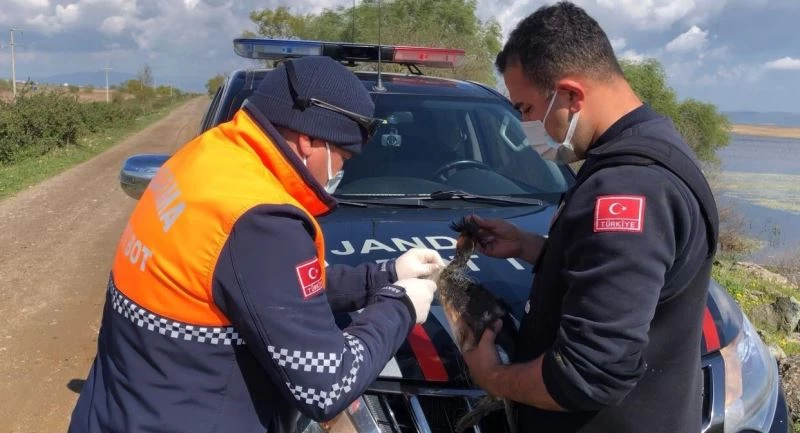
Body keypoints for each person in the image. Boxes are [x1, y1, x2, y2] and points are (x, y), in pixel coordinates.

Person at [69, 56, 445, 433]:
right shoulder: (260, 220)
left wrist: (384, 275)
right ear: (309, 140)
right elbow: (328, 385)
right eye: (344, 157)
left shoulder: (205, 159)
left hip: (118, 412)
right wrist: (400, 307)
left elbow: (267, 288)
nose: (342, 170)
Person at [461, 2, 719, 433]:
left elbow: (587, 374)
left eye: (525, 109)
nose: (525, 126)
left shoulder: (628, 189)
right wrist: (530, 247)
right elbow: (623, 273)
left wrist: (493, 377)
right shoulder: (651, 141)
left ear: (570, 95)